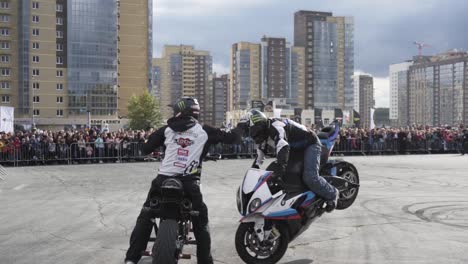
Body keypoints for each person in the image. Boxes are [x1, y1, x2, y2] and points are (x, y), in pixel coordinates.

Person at [124, 97, 242, 264]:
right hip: (189, 183)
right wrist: (242, 127)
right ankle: (205, 261)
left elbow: (145, 148)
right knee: (201, 221)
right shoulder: (205, 131)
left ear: (179, 112)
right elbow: (233, 139)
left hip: (163, 180)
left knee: (146, 214)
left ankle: (131, 259)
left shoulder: (166, 130)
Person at [246, 109, 339, 209]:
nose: (253, 134)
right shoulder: (264, 134)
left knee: (310, 177)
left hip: (310, 143)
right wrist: (253, 173)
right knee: (278, 173)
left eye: (253, 130)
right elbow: (259, 157)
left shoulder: (275, 126)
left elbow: (283, 147)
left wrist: (280, 168)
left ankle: (332, 194)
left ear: (259, 126)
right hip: (295, 148)